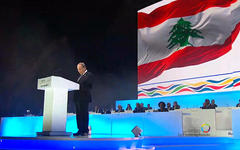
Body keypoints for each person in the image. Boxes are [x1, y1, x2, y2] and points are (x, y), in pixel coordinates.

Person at [73, 62, 94, 136]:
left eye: (80, 69)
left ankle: (85, 130)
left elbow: (89, 86)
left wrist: (79, 87)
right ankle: (80, 130)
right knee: (78, 115)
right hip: (78, 98)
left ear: (84, 68)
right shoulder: (79, 77)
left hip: (84, 97)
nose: (79, 70)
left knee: (84, 114)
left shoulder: (89, 75)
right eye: (78, 69)